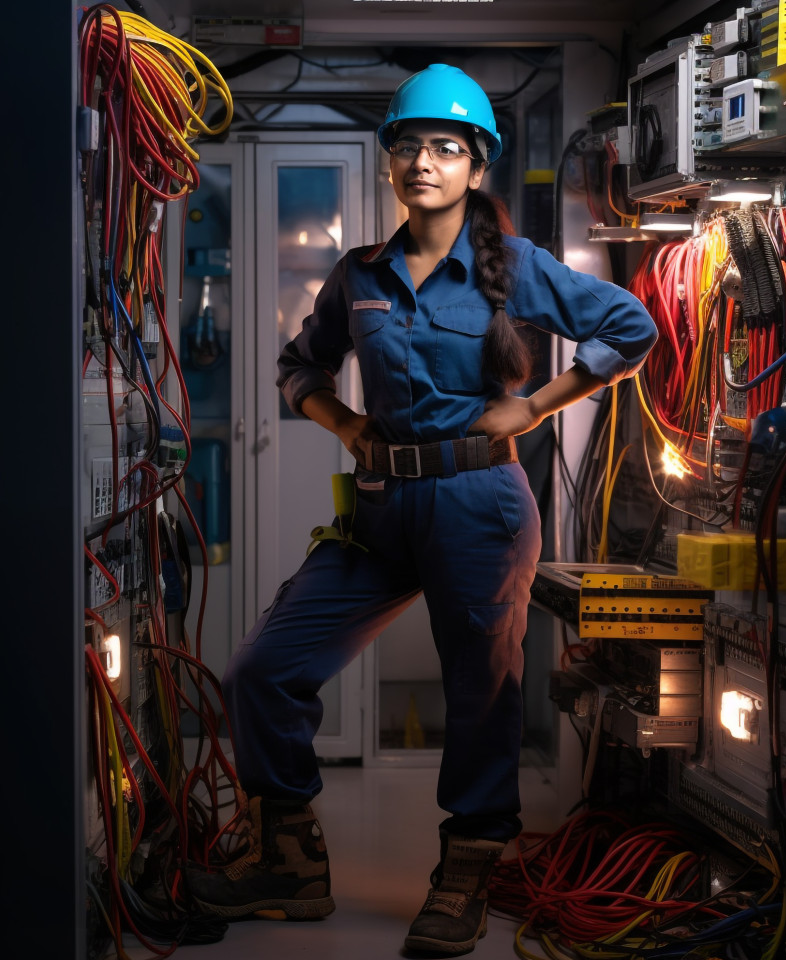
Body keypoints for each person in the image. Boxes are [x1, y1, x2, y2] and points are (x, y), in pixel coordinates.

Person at [188, 62, 658, 955]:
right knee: (263, 668)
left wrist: (535, 406)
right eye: (408, 145)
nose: (424, 161)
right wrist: (346, 424)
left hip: (479, 504)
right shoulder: (359, 275)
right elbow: (299, 367)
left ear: (476, 166)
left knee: (481, 693)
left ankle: (466, 870)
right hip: (381, 508)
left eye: (446, 146)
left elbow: (630, 327)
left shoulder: (514, 268)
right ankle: (289, 862)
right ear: (389, 162)